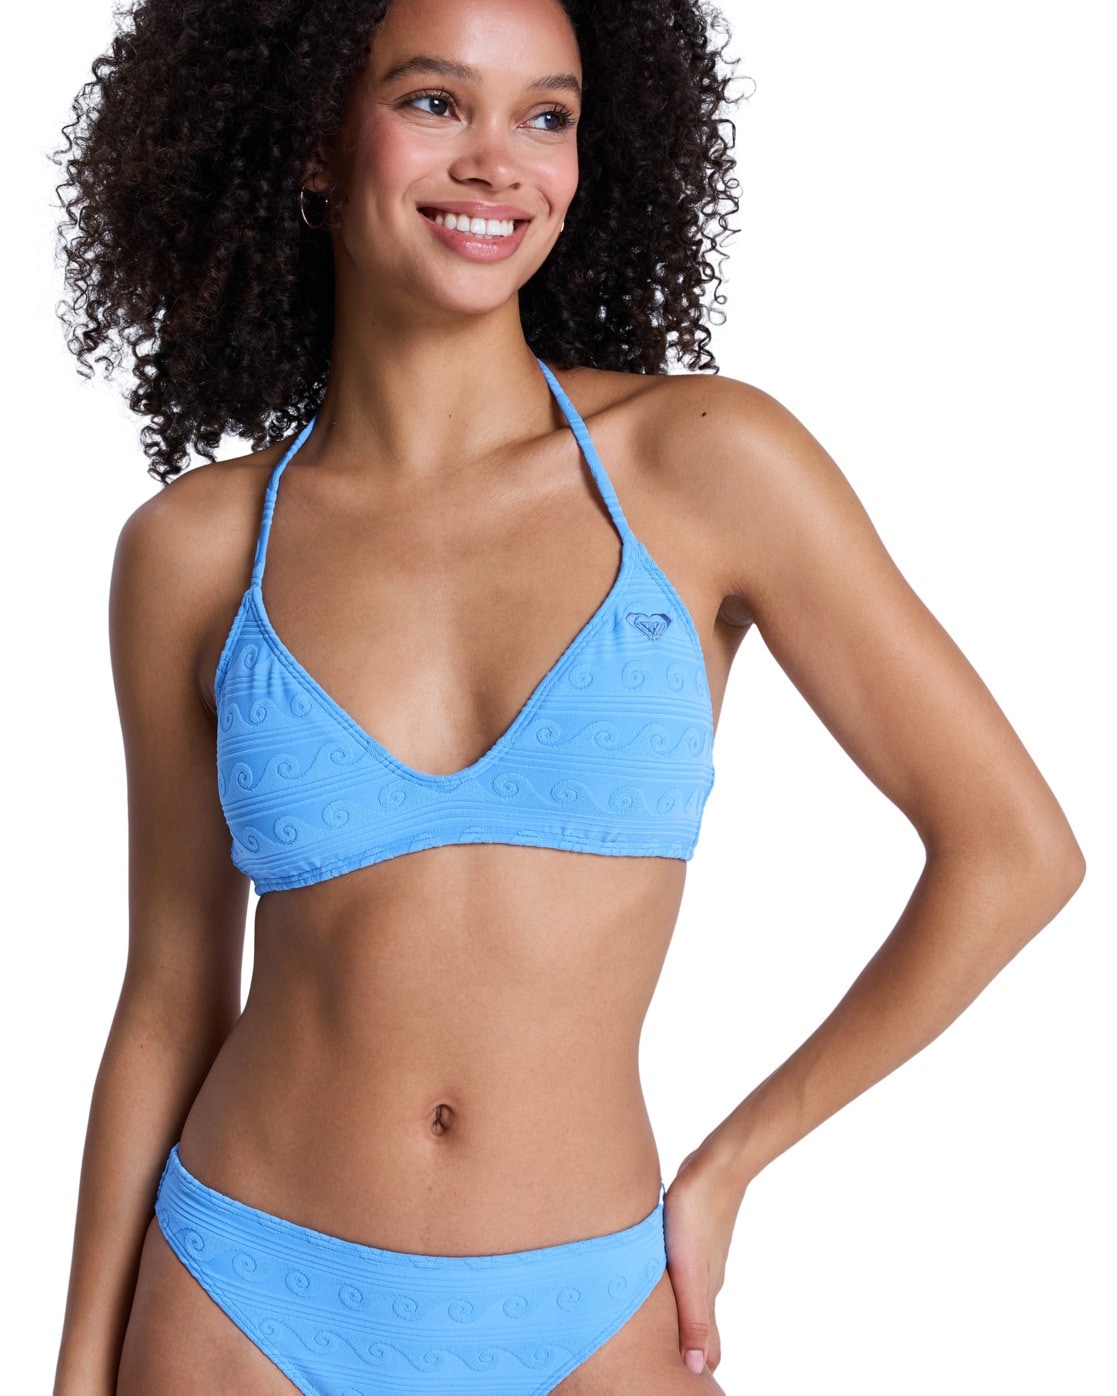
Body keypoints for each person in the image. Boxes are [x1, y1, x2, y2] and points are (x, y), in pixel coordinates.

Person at [50, 0, 1084, 1392]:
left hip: (589, 1311)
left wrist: (730, 1166)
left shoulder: (703, 465)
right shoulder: (194, 549)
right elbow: (171, 994)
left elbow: (1014, 853)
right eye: (433, 102)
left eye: (547, 115)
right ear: (309, 139)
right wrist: (77, 1370)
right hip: (242, 1299)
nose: (498, 161)